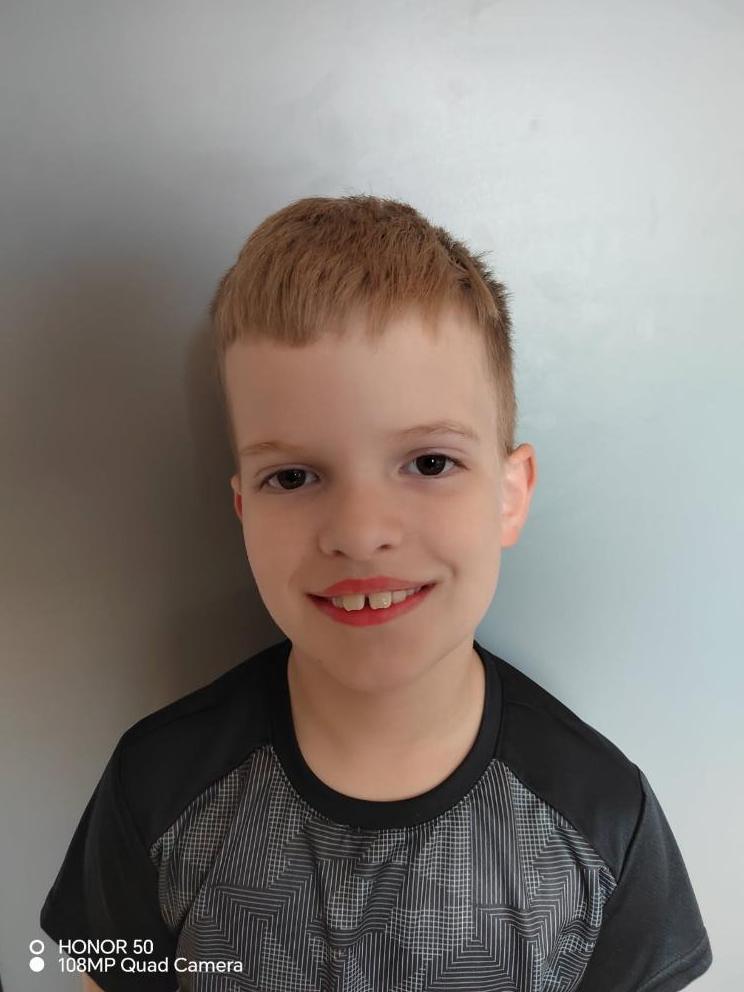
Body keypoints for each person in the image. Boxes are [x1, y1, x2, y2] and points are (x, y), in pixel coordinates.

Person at [40, 194, 712, 991]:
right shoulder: (156, 790)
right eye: (294, 476)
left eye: (429, 463)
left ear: (509, 495)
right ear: (244, 510)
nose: (360, 533)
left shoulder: (603, 820)